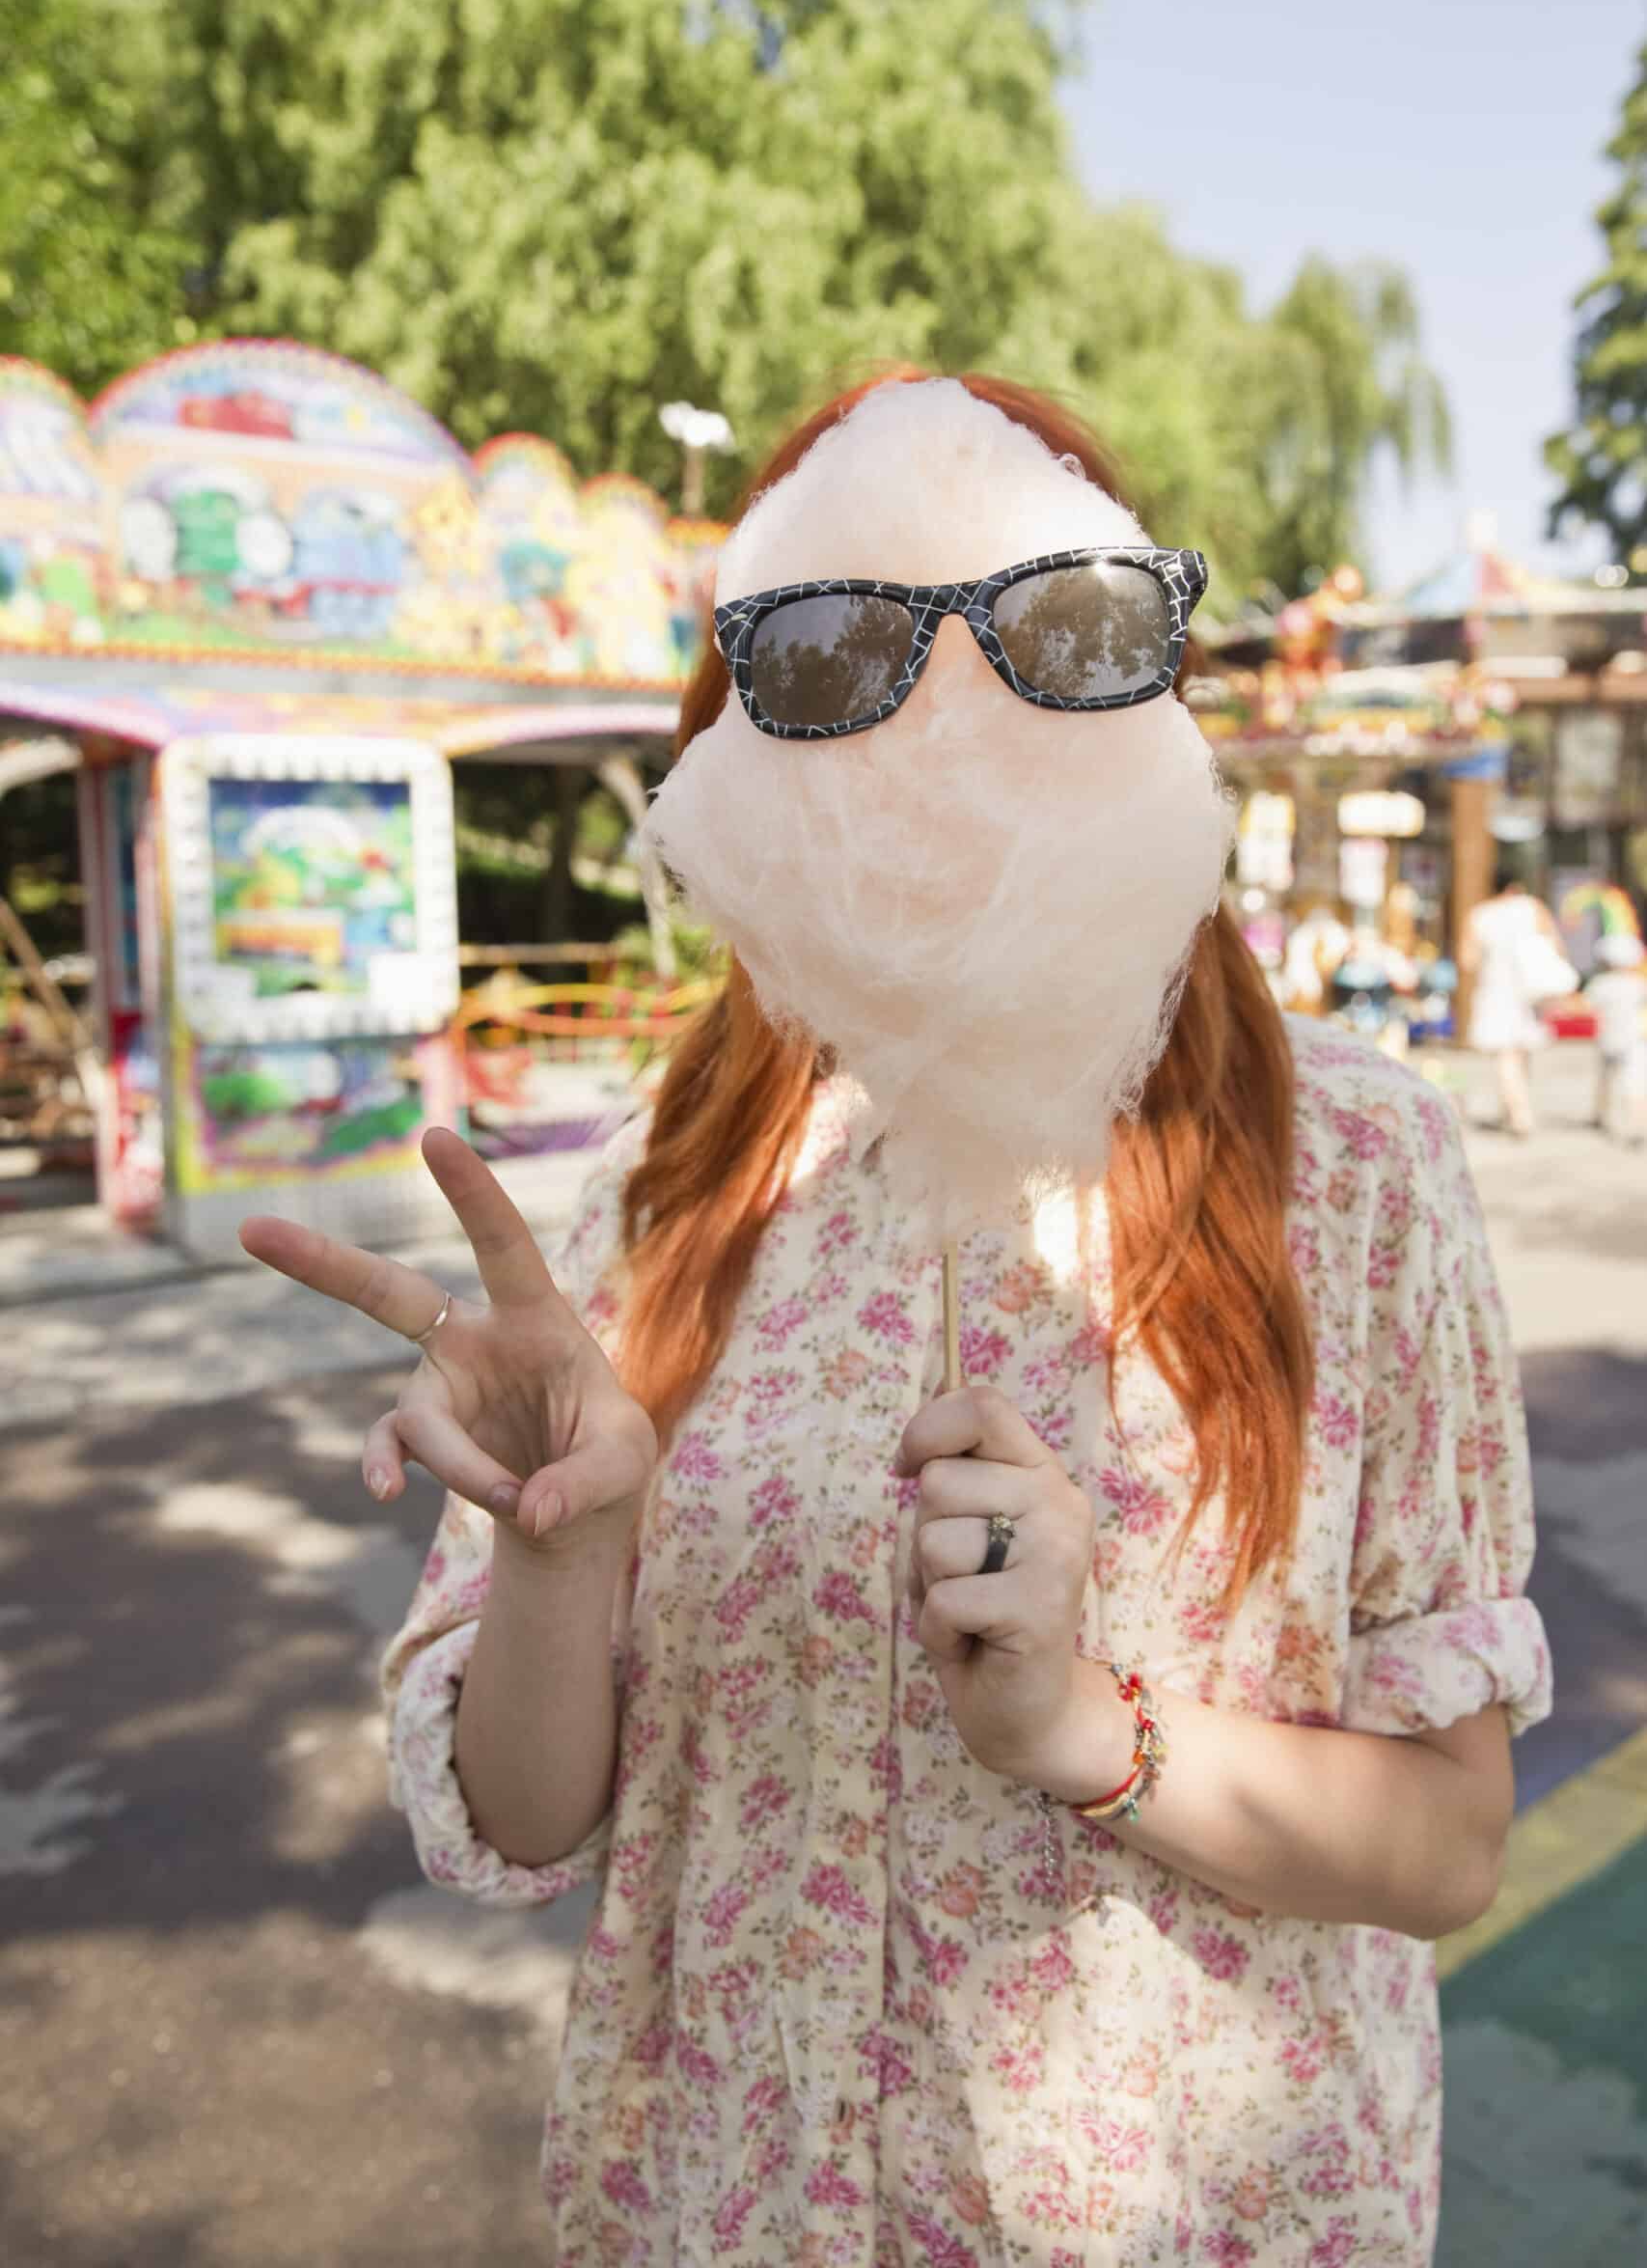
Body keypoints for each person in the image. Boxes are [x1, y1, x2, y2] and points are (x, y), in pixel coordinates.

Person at [242, 374, 1551, 2267]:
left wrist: (1072, 1719)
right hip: (720, 2198)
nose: (948, 723)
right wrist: (569, 1542)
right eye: (832, 653)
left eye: (1062, 638)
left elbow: (1448, 1839)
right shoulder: (649, 1189)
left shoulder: (1348, 1165)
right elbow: (529, 1823)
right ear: (735, 747)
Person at [1459, 865, 1567, 1137]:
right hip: (1529, 990)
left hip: (1496, 988)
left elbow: (1467, 959)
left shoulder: (1480, 915)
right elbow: (1556, 946)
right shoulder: (1532, 907)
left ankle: (1516, 1112)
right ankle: (1517, 1110)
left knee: (1507, 1054)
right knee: (1521, 1051)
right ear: (1516, 886)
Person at [1586, 931, 1647, 1147]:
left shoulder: (1600, 984)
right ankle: (1636, 1124)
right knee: (1634, 1083)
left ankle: (1600, 1114)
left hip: (1609, 1039)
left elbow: (1588, 1005)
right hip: (1635, 1039)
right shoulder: (1638, 983)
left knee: (1605, 1081)